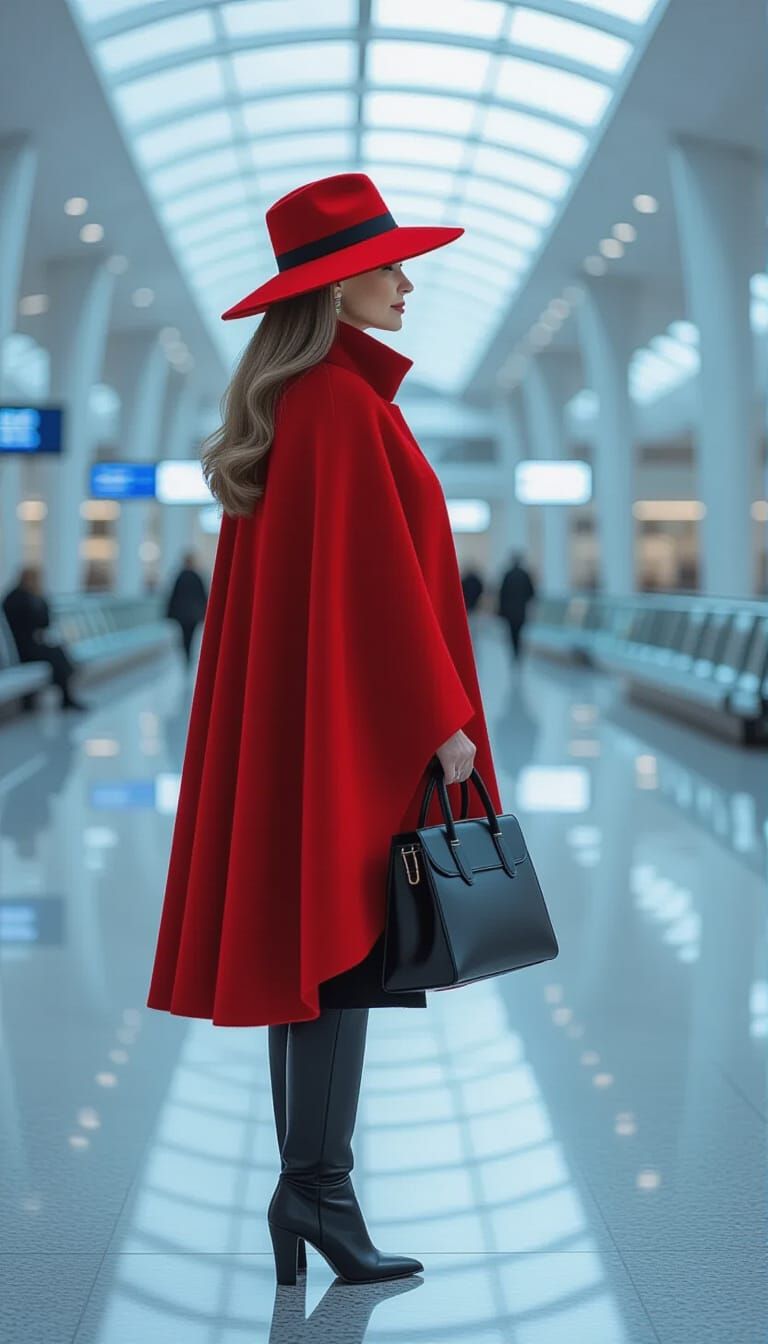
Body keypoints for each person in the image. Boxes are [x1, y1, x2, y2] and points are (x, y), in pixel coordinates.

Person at [145, 173, 503, 1286]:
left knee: (321, 958)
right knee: (336, 959)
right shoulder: (341, 406)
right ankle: (317, 1191)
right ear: (337, 283)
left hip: (318, 722)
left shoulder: (301, 403)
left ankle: (310, 1193)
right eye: (389, 265)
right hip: (358, 722)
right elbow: (382, 588)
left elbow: (347, 582)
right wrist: (442, 716)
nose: (407, 281)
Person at [1, 565, 89, 711]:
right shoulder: (24, 598)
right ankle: (66, 696)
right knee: (57, 654)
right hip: (24, 648)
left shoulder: (15, 597)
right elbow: (43, 623)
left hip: (25, 646)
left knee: (56, 652)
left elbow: (43, 623)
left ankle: (62, 695)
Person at [164, 550, 208, 668]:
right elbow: (203, 597)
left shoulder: (180, 577)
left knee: (184, 635)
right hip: (193, 615)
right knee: (191, 636)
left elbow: (173, 596)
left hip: (182, 615)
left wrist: (169, 613)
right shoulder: (197, 577)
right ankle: (188, 655)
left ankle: (186, 655)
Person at [497, 551, 537, 661]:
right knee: (519, 631)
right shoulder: (525, 575)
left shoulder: (507, 575)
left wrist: (501, 611)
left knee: (511, 631)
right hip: (521, 611)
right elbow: (531, 593)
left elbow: (502, 594)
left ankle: (514, 651)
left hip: (509, 611)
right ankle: (517, 651)